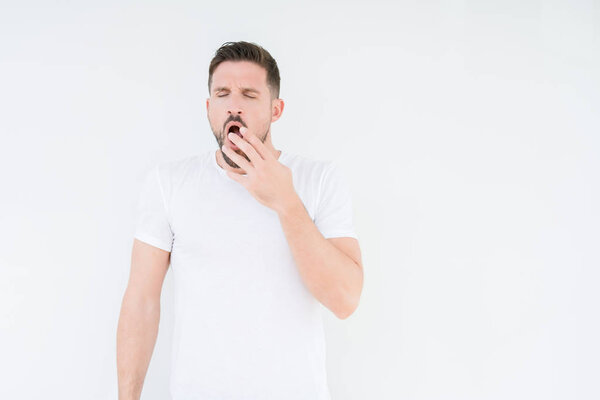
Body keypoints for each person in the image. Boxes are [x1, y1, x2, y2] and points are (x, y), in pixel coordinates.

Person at [116, 41, 363, 400]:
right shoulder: (169, 183)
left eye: (249, 95)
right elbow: (140, 301)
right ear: (208, 107)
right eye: (222, 93)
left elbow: (345, 300)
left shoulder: (319, 179)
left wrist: (287, 203)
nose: (234, 105)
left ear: (275, 109)